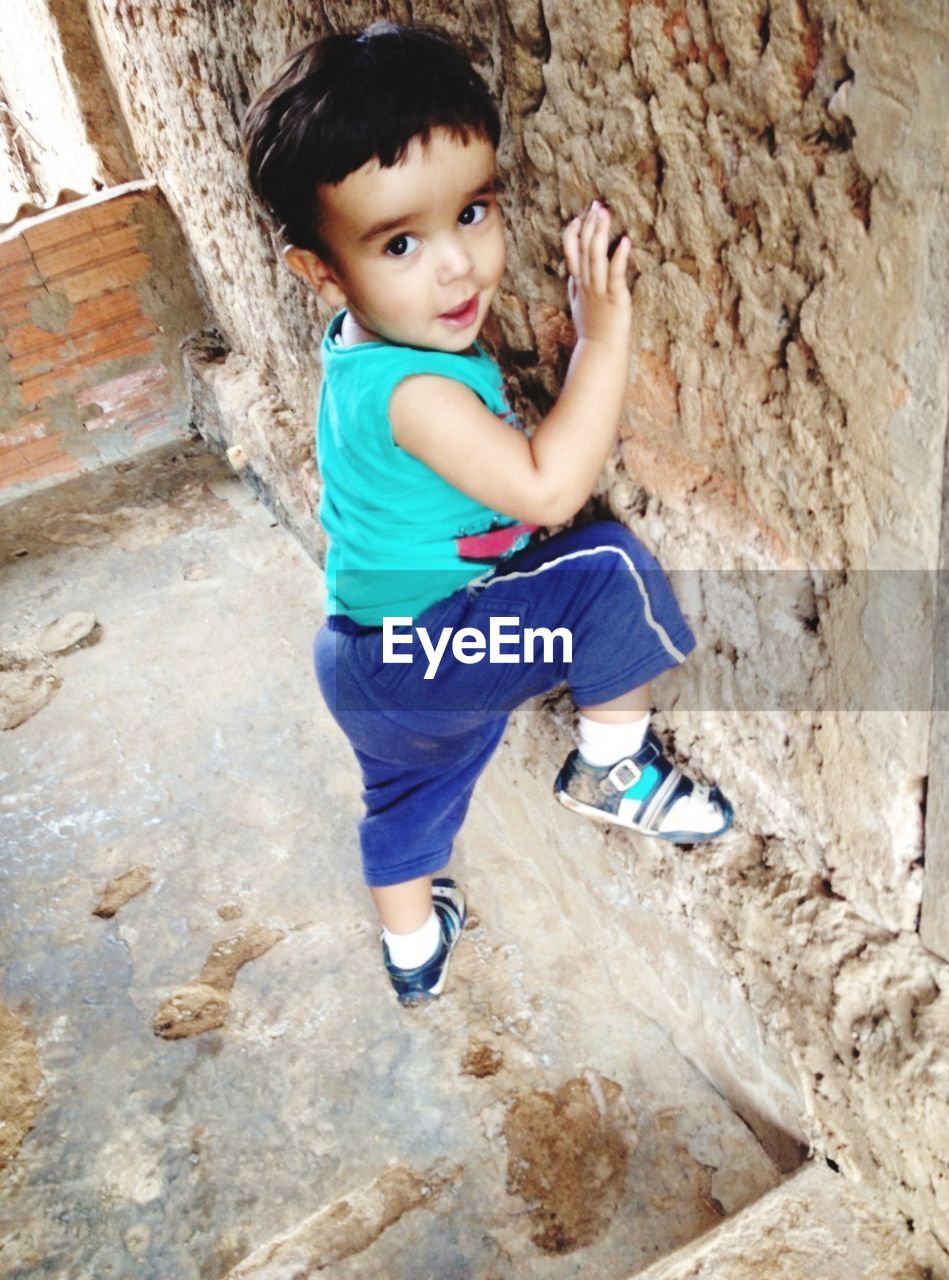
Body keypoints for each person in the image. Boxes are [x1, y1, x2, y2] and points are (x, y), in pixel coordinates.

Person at [242, 21, 733, 1007]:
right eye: (402, 243)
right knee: (606, 573)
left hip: (363, 660)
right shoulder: (417, 395)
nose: (458, 267)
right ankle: (611, 768)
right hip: (429, 649)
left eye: (472, 212)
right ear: (323, 272)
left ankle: (415, 953)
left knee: (408, 806)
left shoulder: (360, 349)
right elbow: (549, 486)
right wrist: (602, 337)